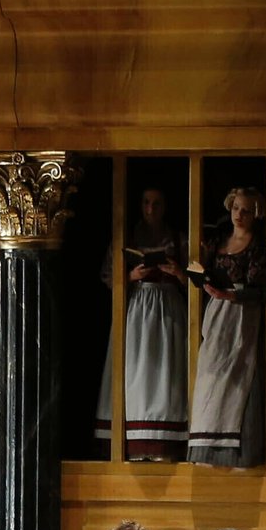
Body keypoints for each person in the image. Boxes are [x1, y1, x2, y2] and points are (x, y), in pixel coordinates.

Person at [93, 184, 188, 460]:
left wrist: (177, 272)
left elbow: (194, 281)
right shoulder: (128, 238)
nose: (151, 209)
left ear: (165, 206)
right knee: (137, 367)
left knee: (167, 371)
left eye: (156, 203)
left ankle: (165, 443)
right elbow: (108, 278)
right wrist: (132, 276)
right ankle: (134, 442)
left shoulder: (178, 239)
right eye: (146, 202)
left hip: (168, 308)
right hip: (137, 307)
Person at [190, 183, 266, 467]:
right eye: (236, 208)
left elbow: (259, 291)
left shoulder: (257, 247)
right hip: (216, 314)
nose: (239, 215)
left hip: (240, 315)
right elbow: (203, 273)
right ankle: (206, 448)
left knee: (235, 378)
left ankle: (234, 452)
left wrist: (230, 295)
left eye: (246, 211)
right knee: (209, 374)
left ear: (255, 214)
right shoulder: (219, 242)